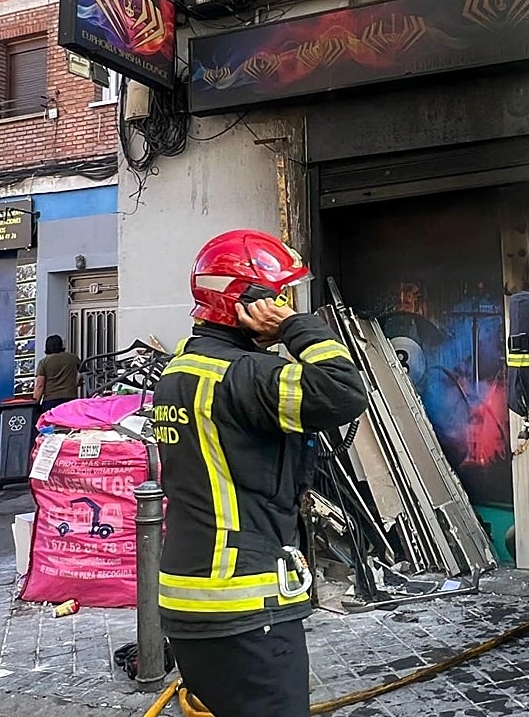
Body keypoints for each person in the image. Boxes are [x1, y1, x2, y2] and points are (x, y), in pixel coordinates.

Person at [154, 230, 368, 717]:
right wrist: (298, 327)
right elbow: (343, 391)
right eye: (277, 296)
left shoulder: (182, 371)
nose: (284, 304)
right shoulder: (243, 376)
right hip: (245, 605)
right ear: (244, 302)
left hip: (192, 598)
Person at [34, 335, 81, 413]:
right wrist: (75, 383)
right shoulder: (73, 358)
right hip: (70, 399)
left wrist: (35, 403)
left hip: (50, 401)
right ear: (61, 345)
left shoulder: (44, 362)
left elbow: (40, 386)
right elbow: (82, 374)